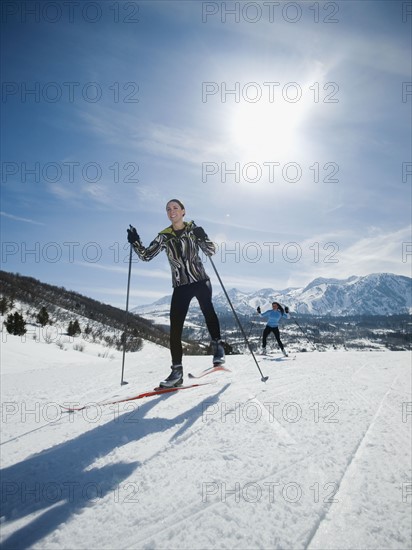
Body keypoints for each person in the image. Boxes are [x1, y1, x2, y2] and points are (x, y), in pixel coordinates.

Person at [127, 199, 225, 388]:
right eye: (168, 209)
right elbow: (146, 256)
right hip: (181, 285)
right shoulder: (164, 236)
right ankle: (176, 372)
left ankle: (218, 346)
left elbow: (211, 251)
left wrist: (202, 236)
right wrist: (135, 242)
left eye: (175, 208)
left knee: (208, 309)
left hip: (200, 280)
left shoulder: (193, 230)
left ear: (183, 211)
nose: (171, 211)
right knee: (175, 328)